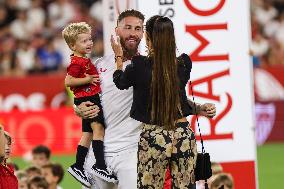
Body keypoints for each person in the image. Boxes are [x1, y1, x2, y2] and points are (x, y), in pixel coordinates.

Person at [75, 9, 216, 189]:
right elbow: (83, 100)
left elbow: (165, 96)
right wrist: (78, 109)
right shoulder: (99, 65)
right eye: (127, 27)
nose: (133, 32)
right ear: (116, 30)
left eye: (138, 28)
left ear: (145, 35)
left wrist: (197, 107)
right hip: (102, 151)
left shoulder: (141, 65)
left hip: (135, 148)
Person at [112, 15, 199, 188]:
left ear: (147, 37)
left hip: (154, 135)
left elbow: (120, 82)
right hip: (183, 134)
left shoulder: (139, 65)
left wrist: (119, 58)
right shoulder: (184, 64)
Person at [62, 22, 117, 187]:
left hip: (86, 98)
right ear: (72, 45)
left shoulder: (83, 60)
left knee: (87, 134)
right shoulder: (77, 62)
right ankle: (100, 165)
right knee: (98, 129)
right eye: (84, 41)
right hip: (89, 99)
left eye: (89, 39)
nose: (89, 43)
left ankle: (78, 166)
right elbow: (68, 80)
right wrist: (87, 79)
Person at [0, 124, 18, 189]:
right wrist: (1, 129)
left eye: (9, 144)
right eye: (3, 144)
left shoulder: (10, 170)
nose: (7, 148)